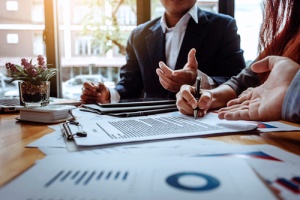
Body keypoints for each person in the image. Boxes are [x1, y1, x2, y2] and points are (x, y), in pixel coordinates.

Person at [81, 0, 245, 104]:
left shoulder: (223, 26)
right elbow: (130, 84)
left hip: (203, 123)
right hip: (150, 127)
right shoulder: (139, 35)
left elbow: (239, 81)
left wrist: (198, 80)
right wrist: (108, 94)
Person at [176, 0, 300, 123]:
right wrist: (208, 97)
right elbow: (241, 82)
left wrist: (294, 93)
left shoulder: (222, 24)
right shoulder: (290, 33)